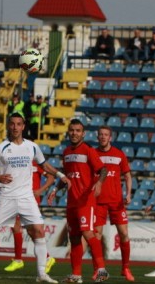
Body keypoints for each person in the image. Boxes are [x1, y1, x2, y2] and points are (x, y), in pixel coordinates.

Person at [0, 113, 62, 283]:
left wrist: (60, 174)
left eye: (19, 124)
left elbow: (44, 165)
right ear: (8, 126)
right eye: (12, 124)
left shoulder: (32, 147)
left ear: (23, 126)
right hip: (6, 197)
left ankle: (41, 274)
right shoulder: (1, 147)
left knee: (38, 231)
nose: (15, 127)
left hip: (26, 197)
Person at [47, 119, 109, 283]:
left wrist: (99, 183)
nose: (74, 133)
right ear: (68, 131)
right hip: (71, 202)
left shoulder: (88, 150)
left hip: (85, 201)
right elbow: (66, 176)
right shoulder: (66, 152)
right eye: (72, 130)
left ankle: (102, 269)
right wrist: (55, 189)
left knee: (88, 233)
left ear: (83, 133)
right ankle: (76, 275)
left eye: (78, 130)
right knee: (73, 237)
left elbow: (103, 169)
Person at [93, 126, 135, 282]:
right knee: (96, 235)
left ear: (110, 137)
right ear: (97, 137)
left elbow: (128, 175)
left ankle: (125, 267)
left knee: (124, 233)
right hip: (98, 203)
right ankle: (98, 269)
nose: (103, 137)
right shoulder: (93, 154)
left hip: (117, 202)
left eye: (106, 135)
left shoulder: (119, 154)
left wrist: (129, 193)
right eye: (100, 135)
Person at [3, 160, 56, 274]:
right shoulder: (17, 161)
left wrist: (40, 190)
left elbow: (51, 177)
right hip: (18, 197)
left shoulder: (36, 163)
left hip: (31, 200)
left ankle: (20, 259)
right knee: (22, 228)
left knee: (31, 229)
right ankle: (43, 258)